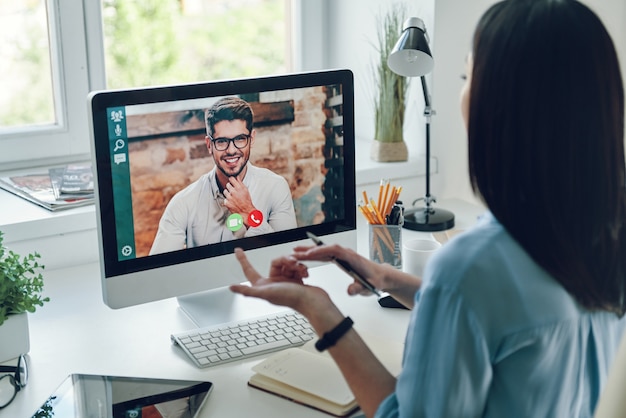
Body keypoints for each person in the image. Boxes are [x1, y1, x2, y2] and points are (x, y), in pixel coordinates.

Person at [229, 0, 626, 416]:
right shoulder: (604, 237)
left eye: (465, 75)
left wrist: (319, 309)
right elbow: (506, 316)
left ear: (498, 109)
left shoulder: (471, 270)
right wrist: (388, 278)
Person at [150, 97, 297, 254]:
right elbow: (157, 270)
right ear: (209, 145)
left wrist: (250, 214)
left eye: (240, 139)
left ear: (251, 139)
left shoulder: (275, 187)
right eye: (221, 141)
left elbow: (288, 257)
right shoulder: (183, 203)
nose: (231, 150)